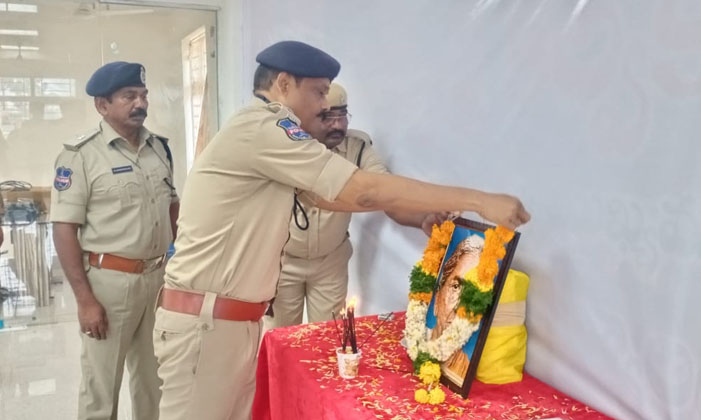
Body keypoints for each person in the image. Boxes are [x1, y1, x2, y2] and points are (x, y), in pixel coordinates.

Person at [154, 40, 530, 420]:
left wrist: (423, 213)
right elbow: (362, 192)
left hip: (228, 323)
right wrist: (480, 199)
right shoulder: (264, 127)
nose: (323, 105)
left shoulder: (269, 134)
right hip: (208, 325)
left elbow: (335, 199)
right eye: (317, 92)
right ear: (284, 84)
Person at [51, 61, 179, 420]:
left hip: (156, 280)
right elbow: (63, 229)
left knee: (154, 380)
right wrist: (85, 300)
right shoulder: (80, 155)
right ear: (102, 105)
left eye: (143, 95)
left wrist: (176, 266)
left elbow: (172, 208)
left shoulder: (159, 150)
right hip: (109, 284)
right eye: (128, 96)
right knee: (101, 385)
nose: (140, 103)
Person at [267, 83, 450, 328]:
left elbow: (386, 192)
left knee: (330, 339)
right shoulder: (282, 148)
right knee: (282, 338)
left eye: (342, 115)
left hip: (330, 264)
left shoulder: (358, 147)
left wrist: (422, 217)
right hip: (284, 262)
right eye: (327, 116)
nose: (338, 125)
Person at [432, 234, 485, 384]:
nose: (458, 307)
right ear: (437, 299)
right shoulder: (418, 344)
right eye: (455, 287)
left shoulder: (462, 372)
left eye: (471, 292)